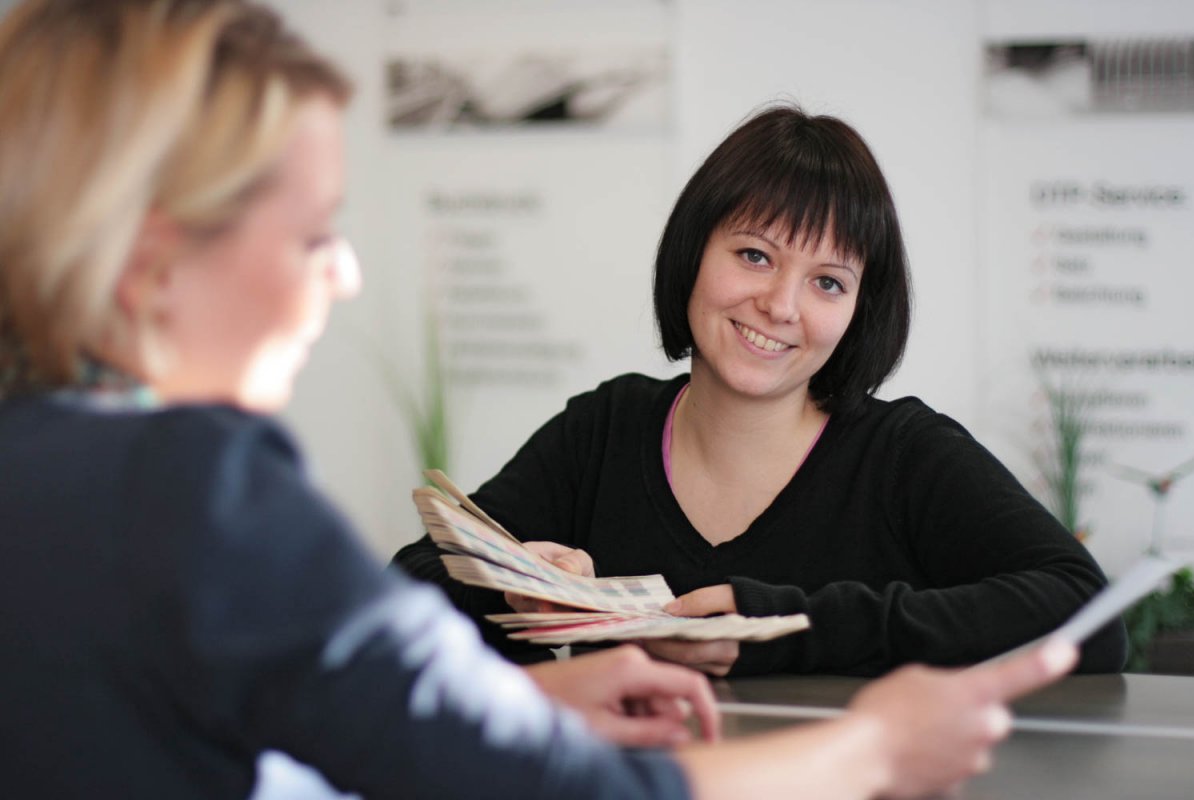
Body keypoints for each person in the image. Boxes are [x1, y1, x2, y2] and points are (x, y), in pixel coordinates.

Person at [0, 1, 1079, 798]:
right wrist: (872, 747)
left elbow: (301, 718)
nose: (346, 274)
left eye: (828, 281)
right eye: (313, 233)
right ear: (152, 260)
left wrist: (523, 704)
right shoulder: (199, 486)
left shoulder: (43, 459)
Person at [393, 105, 1128, 678]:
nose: (780, 305)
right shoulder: (605, 430)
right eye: (754, 254)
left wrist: (791, 625)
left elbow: (1088, 616)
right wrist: (516, 585)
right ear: (694, 251)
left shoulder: (904, 454)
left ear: (860, 309)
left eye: (828, 282)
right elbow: (410, 586)